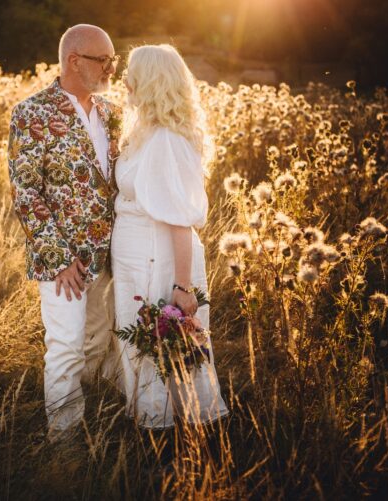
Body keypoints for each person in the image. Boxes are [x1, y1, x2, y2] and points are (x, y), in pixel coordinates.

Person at [7, 24, 122, 439]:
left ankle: (105, 420)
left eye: (113, 59)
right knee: (66, 349)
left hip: (111, 256)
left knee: (103, 343)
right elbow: (26, 192)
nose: (111, 68)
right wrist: (58, 259)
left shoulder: (112, 113)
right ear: (74, 60)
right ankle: (65, 444)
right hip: (63, 264)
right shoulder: (31, 113)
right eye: (103, 60)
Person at [110, 44, 229, 428]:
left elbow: (179, 219)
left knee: (161, 343)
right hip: (138, 257)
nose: (123, 79)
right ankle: (157, 421)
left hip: (156, 258)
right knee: (147, 345)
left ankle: (162, 431)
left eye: (131, 72)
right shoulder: (146, 132)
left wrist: (182, 285)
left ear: (149, 81)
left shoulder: (165, 139)